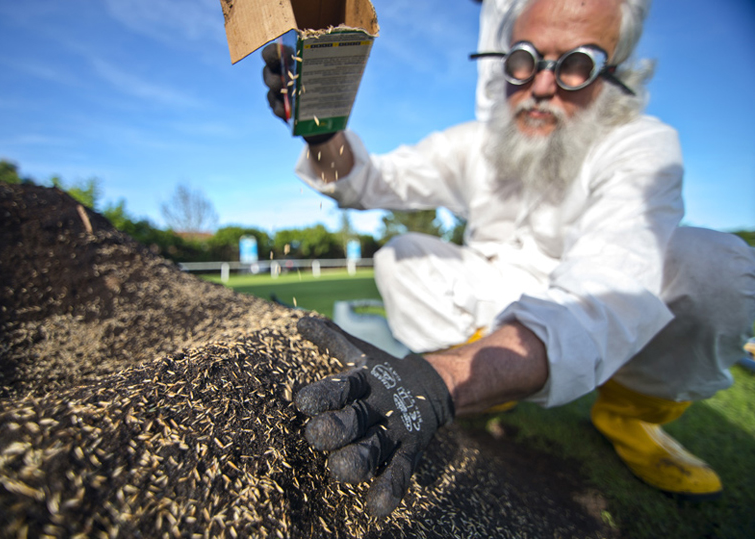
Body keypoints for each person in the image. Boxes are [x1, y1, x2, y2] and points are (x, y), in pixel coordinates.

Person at [262, 0, 755, 518]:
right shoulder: (478, 144)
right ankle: (495, 386)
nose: (541, 88)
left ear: (614, 75)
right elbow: (369, 181)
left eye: (576, 65)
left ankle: (628, 414)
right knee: (401, 255)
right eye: (524, 60)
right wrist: (321, 130)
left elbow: (606, 293)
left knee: (720, 269)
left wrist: (440, 381)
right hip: (500, 306)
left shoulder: (642, 147)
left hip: (603, 318)